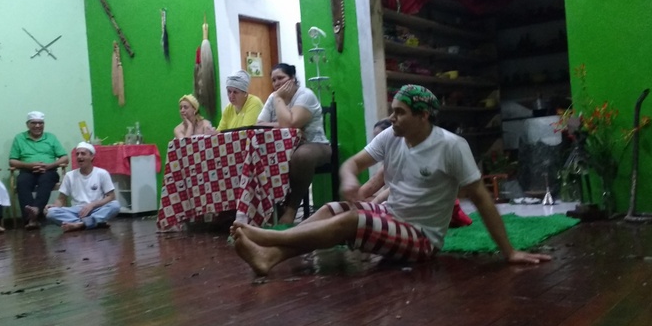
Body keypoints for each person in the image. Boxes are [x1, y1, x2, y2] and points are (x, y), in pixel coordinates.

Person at [231, 84, 551, 276]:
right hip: (392, 216)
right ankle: (269, 257)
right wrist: (348, 179)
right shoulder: (391, 136)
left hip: (422, 238)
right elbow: (354, 163)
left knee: (353, 220)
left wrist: (509, 253)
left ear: (423, 116)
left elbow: (482, 198)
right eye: (392, 111)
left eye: (400, 112)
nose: (391, 118)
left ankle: (269, 239)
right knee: (332, 208)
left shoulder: (452, 146)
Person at [256, 63, 331, 224]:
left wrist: (279, 100)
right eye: (273, 80)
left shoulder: (305, 95)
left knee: (302, 156)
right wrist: (284, 123)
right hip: (283, 148)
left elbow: (290, 123)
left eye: (280, 78)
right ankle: (272, 209)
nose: (277, 83)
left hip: (315, 144)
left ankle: (291, 209)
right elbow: (259, 124)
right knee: (257, 156)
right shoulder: (273, 97)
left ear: (292, 79)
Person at [9, 111, 69, 229]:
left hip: (49, 171)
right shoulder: (20, 138)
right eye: (34, 123)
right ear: (27, 124)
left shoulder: (51, 137)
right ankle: (32, 218)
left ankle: (35, 212)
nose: (37, 126)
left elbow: (65, 158)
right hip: (27, 171)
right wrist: (29, 165)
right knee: (22, 181)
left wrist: (50, 166)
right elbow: (12, 161)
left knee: (45, 179)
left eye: (40, 123)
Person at [45, 142, 121, 233]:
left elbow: (111, 196)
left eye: (83, 154)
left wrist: (92, 205)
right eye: (77, 154)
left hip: (96, 209)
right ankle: (93, 223)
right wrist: (54, 206)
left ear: (91, 156)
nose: (79, 156)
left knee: (115, 205)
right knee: (50, 213)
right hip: (77, 211)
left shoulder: (102, 173)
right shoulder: (69, 175)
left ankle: (79, 224)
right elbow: (61, 199)